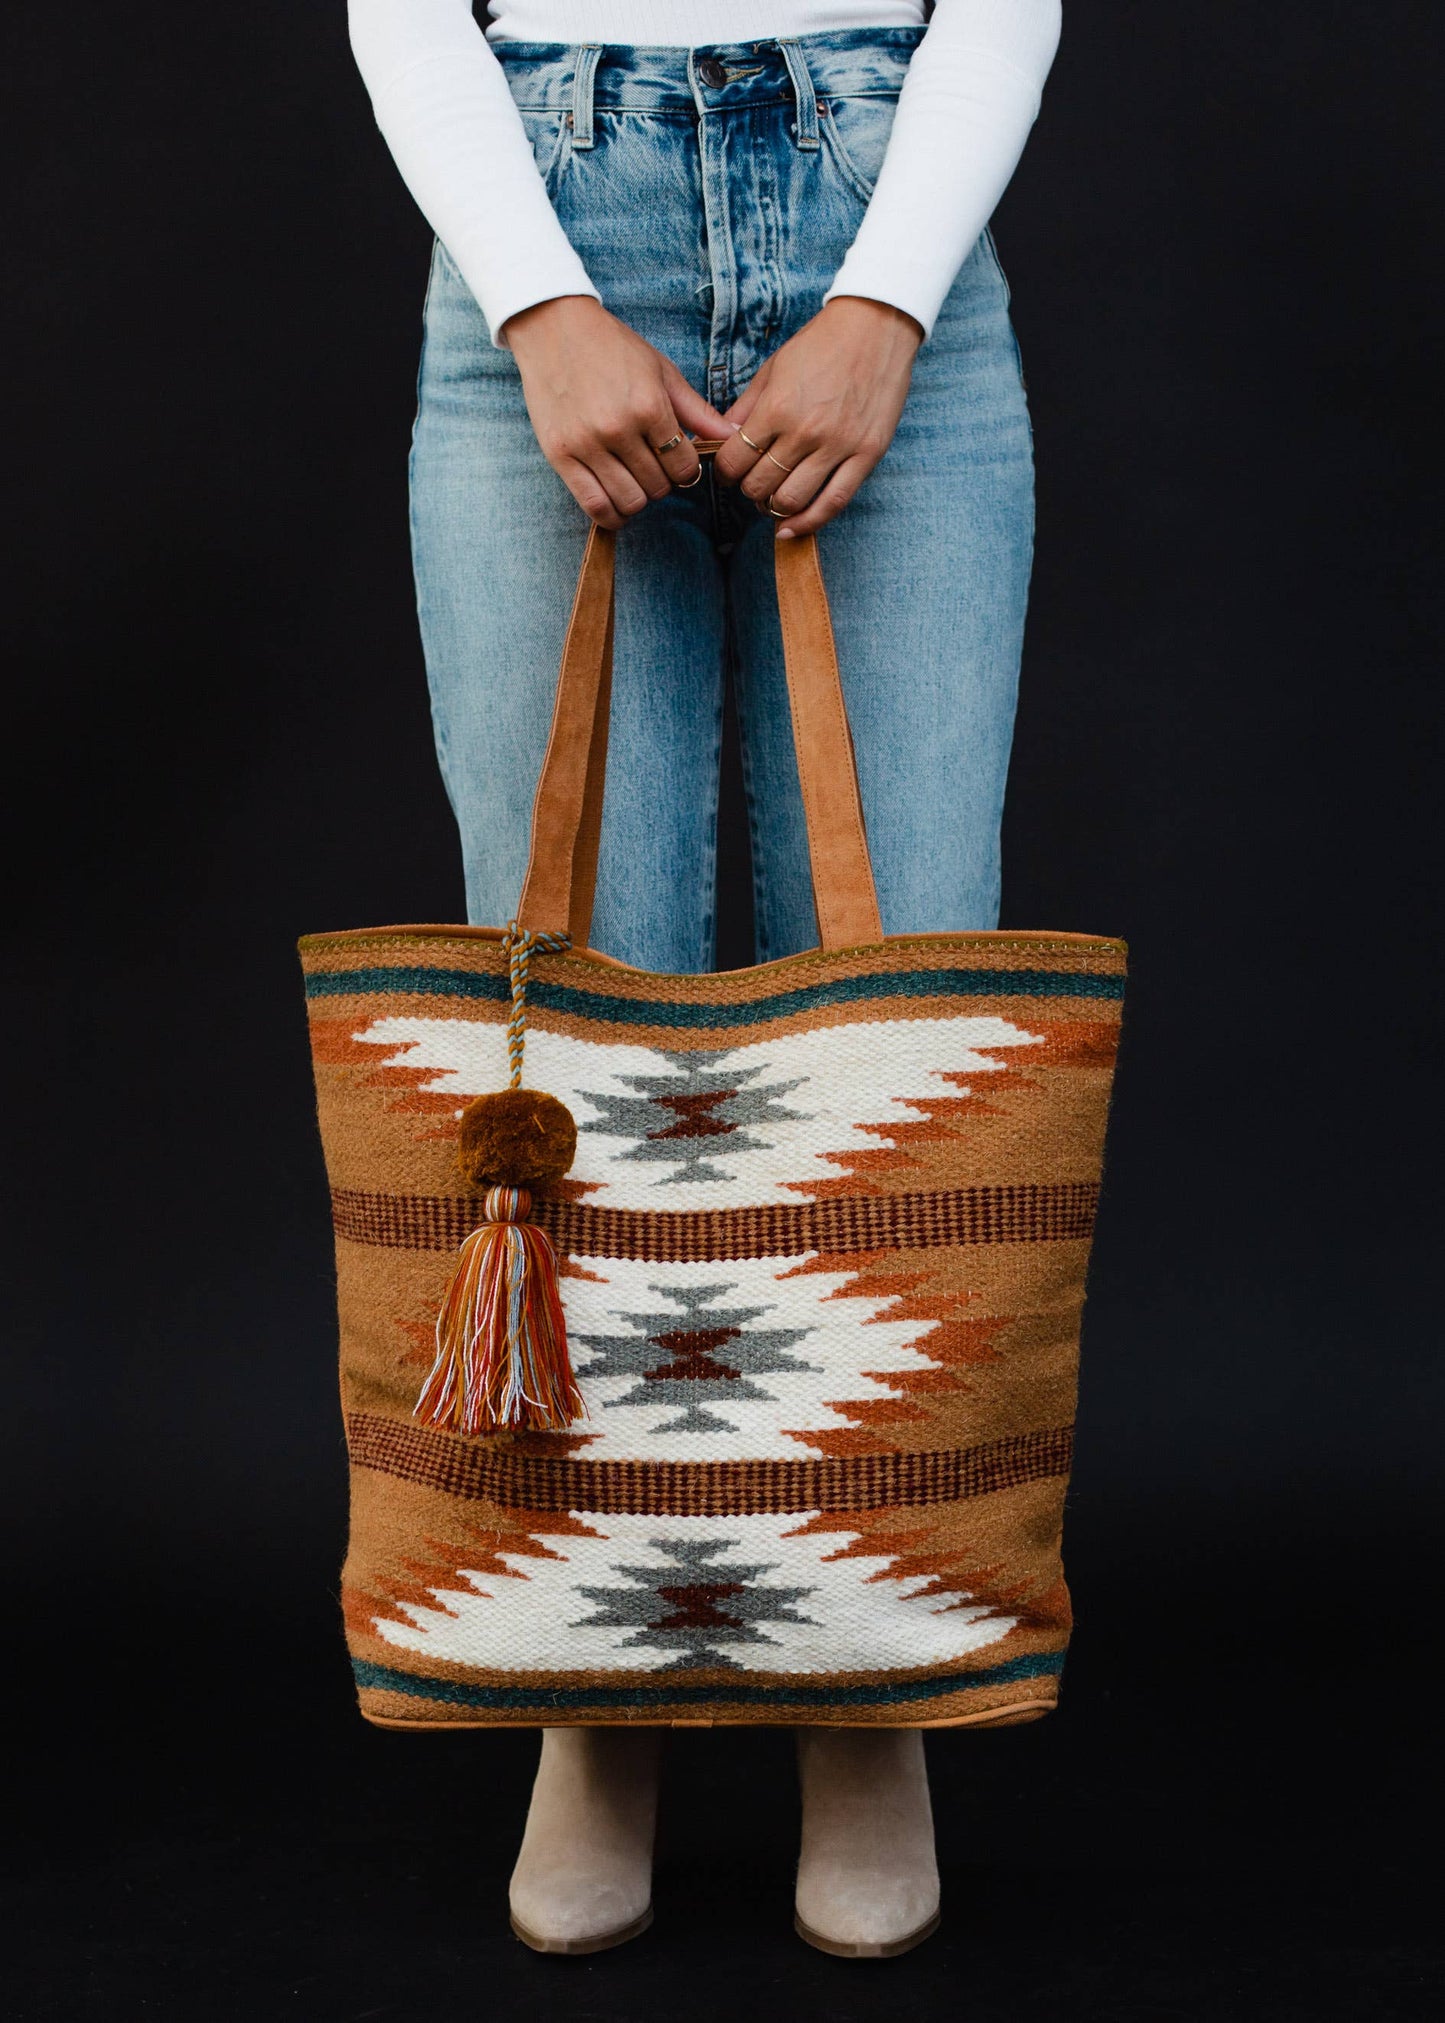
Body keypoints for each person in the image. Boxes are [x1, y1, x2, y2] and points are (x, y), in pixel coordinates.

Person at [349, 0, 1061, 1960]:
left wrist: (888, 297)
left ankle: (871, 1688)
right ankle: (596, 1698)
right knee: (568, 1008)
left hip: (882, 205)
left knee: (901, 998)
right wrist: (538, 298)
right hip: (544, 235)